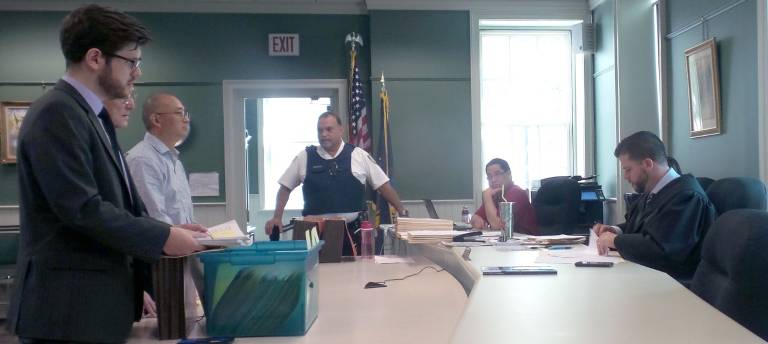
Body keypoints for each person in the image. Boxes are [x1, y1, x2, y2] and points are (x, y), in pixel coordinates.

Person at [7, 5, 205, 343]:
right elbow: (82, 209)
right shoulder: (57, 112)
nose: (136, 73)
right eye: (131, 61)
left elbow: (119, 204)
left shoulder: (90, 115)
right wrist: (163, 237)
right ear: (95, 58)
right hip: (66, 314)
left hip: (90, 311)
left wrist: (168, 229)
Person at [264, 112, 407, 255]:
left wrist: (402, 212)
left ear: (340, 130)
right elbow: (285, 188)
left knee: (355, 269)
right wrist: (277, 217)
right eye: (320, 130)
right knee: (314, 268)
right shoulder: (304, 157)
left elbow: (383, 185)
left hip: (353, 232)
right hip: (313, 233)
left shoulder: (359, 155)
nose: (324, 134)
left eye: (329, 129)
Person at [126, 92, 207, 319]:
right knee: (162, 329)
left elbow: (181, 218)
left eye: (186, 113)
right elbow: (154, 221)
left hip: (178, 261)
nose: (186, 119)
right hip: (157, 265)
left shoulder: (174, 161)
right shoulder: (142, 160)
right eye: (179, 113)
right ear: (157, 119)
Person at [592, 131, 715, 280]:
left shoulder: (687, 197)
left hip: (671, 283)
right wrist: (615, 230)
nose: (625, 176)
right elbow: (645, 228)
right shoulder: (654, 192)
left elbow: (662, 248)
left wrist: (615, 240)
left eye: (628, 169)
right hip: (646, 275)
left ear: (648, 164)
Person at [470, 158, 538, 235]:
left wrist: (487, 196)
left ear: (509, 174)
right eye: (489, 176)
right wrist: (477, 221)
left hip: (525, 240)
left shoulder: (517, 193)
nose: (493, 180)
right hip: (503, 240)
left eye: (498, 174)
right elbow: (474, 218)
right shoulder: (496, 194)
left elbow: (498, 226)